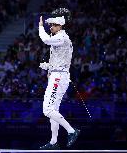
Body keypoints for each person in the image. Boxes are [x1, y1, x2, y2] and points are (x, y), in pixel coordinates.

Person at [38, 8, 80, 150]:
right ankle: (53, 142)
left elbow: (45, 39)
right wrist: (47, 66)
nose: (51, 27)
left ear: (60, 26)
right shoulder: (59, 38)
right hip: (57, 75)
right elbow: (60, 60)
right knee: (53, 110)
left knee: (47, 110)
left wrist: (39, 27)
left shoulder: (61, 37)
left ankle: (72, 131)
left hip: (59, 77)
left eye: (53, 25)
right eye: (50, 25)